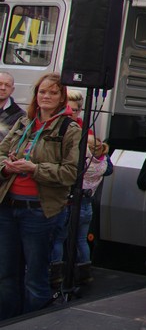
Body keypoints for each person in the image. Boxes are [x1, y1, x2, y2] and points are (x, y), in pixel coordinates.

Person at [0, 73, 80, 320]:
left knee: (35, 277)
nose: (46, 96)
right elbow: (1, 153)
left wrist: (34, 169)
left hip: (39, 210)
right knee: (5, 274)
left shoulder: (69, 128)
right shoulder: (24, 122)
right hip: (8, 206)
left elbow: (70, 173)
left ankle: (34, 322)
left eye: (53, 93)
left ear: (62, 98)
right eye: (42, 92)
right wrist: (6, 167)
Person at [49, 126, 112, 289]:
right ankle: (84, 272)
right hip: (87, 204)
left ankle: (55, 271)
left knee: (59, 238)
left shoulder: (83, 163)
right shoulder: (102, 164)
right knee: (81, 240)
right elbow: (109, 169)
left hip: (73, 203)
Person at [0, 72, 25, 143]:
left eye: (7, 85)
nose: (3, 88)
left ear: (12, 90)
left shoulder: (20, 116)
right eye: (0, 84)